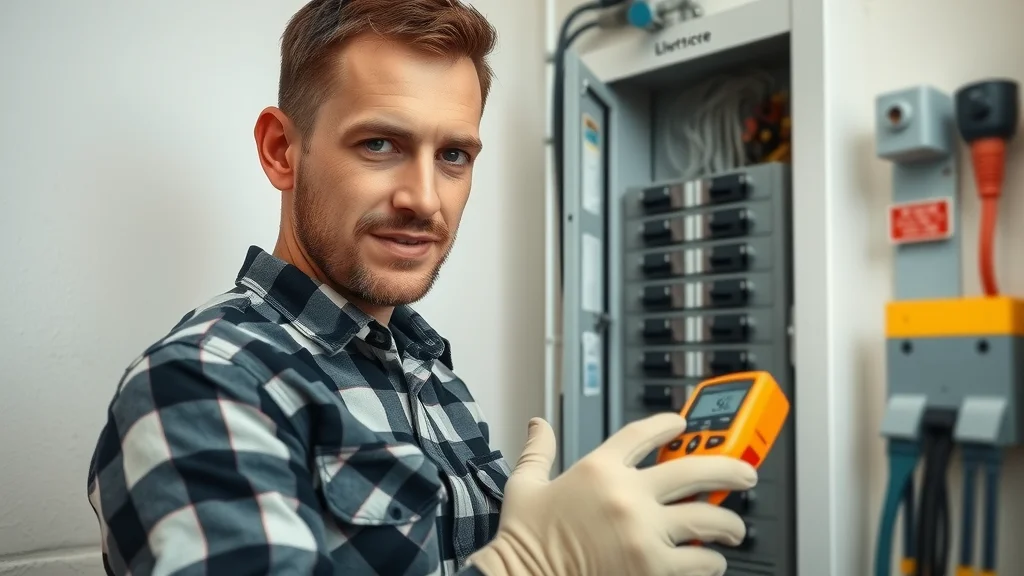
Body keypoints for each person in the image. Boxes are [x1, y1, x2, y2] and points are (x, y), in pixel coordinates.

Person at [85, 0, 758, 574]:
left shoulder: (424, 369)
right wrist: (526, 564)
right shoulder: (200, 382)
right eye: (379, 144)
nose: (425, 199)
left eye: (454, 156)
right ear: (281, 151)